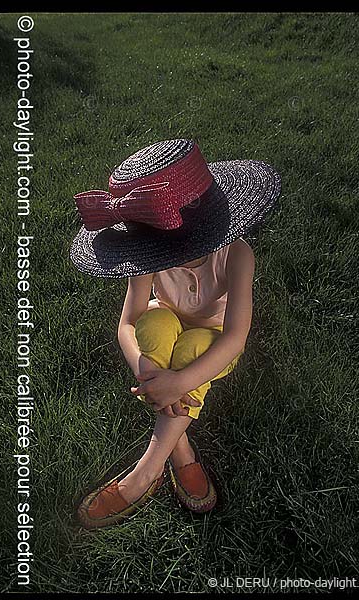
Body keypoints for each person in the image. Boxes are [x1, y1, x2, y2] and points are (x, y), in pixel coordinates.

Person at [70, 139, 281, 529]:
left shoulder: (237, 255)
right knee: (154, 325)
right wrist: (145, 370)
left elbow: (235, 336)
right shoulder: (148, 255)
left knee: (193, 349)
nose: (166, 259)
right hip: (166, 322)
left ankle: (146, 472)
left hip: (213, 337)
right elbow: (128, 324)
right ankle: (181, 449)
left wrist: (179, 381)